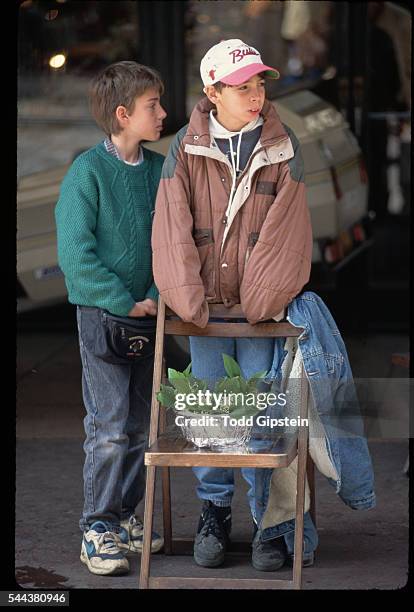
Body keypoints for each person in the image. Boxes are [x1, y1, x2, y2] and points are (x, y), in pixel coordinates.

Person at [152, 39, 317, 571]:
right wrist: (186, 302)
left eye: (260, 84)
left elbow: (286, 234)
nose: (255, 95)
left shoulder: (284, 143)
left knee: (264, 415)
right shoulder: (185, 144)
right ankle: (214, 515)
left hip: (260, 311)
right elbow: (171, 226)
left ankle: (270, 522)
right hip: (203, 311)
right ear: (212, 91)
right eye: (242, 87)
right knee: (211, 418)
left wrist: (258, 306)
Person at [55, 61, 167, 576]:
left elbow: (171, 242)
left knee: (143, 427)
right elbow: (75, 254)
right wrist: (125, 301)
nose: (163, 113)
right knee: (109, 426)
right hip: (103, 317)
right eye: (153, 106)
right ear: (123, 115)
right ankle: (97, 529)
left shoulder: (158, 169)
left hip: (151, 314)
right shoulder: (87, 171)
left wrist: (152, 295)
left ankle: (125, 517)